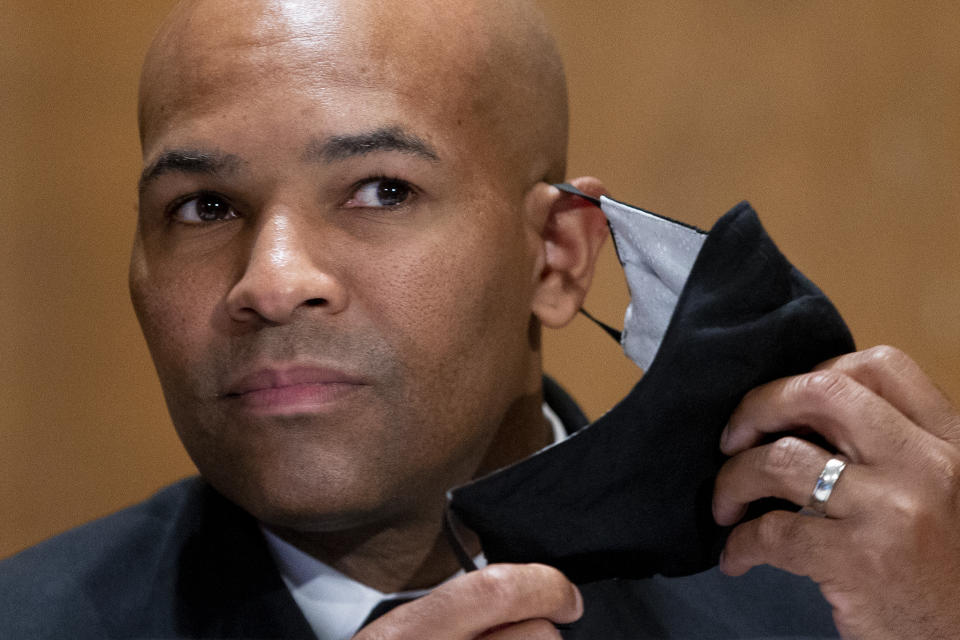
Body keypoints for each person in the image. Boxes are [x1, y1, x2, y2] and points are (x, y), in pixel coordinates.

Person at [2, 0, 959, 638]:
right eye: (203, 207)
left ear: (556, 260)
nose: (273, 279)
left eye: (380, 190)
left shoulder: (852, 609)